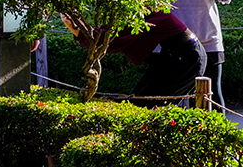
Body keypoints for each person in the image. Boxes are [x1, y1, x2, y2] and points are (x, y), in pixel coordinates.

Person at [69, 10, 205, 106]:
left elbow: (115, 38)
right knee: (140, 97)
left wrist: (80, 32)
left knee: (152, 102)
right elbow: (114, 31)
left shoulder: (146, 12)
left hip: (187, 58)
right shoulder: (141, 10)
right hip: (173, 55)